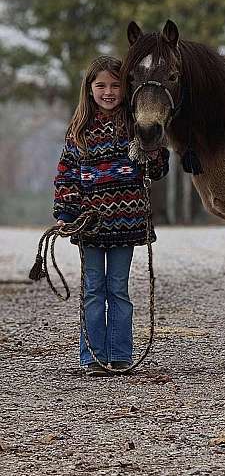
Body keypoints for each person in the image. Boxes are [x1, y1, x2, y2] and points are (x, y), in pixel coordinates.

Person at [53, 55, 169, 376]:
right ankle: (92, 357)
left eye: (115, 85)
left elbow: (158, 169)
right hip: (89, 224)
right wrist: (65, 210)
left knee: (117, 289)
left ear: (126, 88)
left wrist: (150, 148)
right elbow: (66, 175)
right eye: (101, 85)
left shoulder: (134, 126)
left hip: (126, 223)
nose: (108, 91)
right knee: (93, 289)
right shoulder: (79, 132)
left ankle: (119, 354)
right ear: (89, 89)